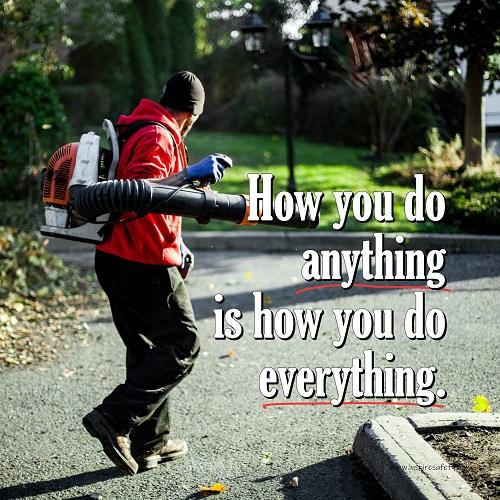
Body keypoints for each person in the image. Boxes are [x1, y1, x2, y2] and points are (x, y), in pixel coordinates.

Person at [82, 71, 231, 475]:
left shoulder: (141, 126)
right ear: (193, 113)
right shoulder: (159, 136)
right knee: (184, 344)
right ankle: (113, 418)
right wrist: (189, 176)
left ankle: (151, 444)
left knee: (148, 348)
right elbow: (140, 193)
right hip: (142, 262)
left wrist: (177, 241)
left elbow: (145, 203)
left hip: (115, 255)